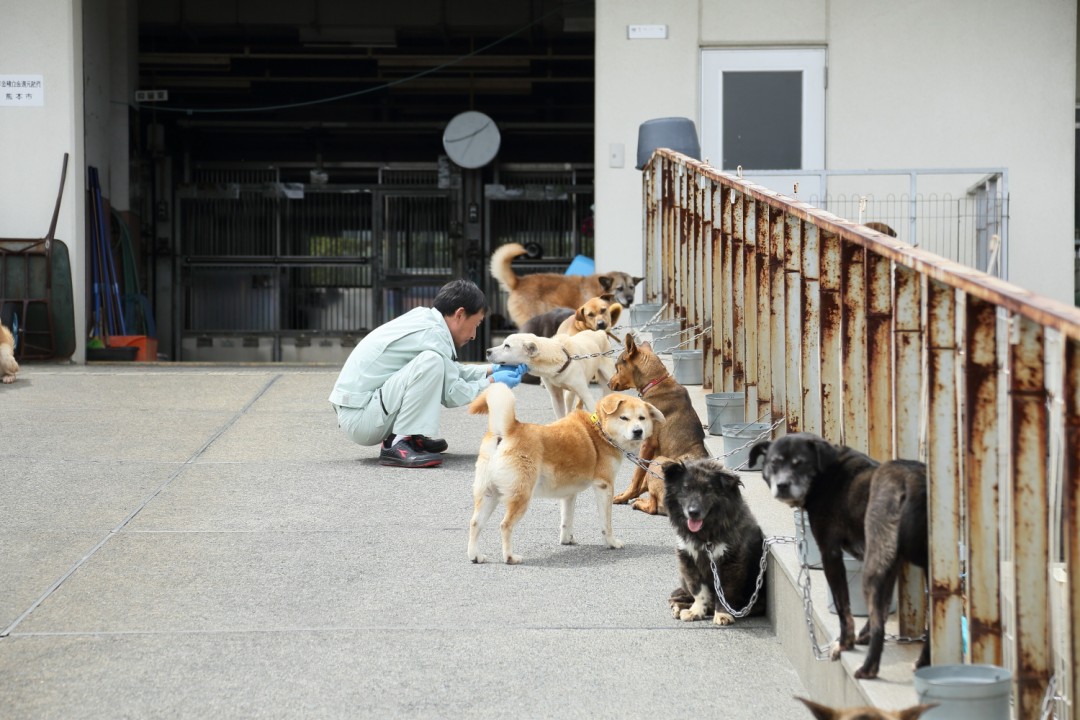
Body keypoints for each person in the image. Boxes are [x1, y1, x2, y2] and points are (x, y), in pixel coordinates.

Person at [329, 279, 526, 468]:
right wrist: (492, 383)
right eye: (476, 324)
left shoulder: (427, 321)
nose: (474, 334)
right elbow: (452, 393)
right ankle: (398, 442)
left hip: (361, 409)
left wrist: (492, 369)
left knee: (433, 362)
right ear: (459, 314)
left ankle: (412, 435)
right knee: (430, 362)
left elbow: (451, 371)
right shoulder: (433, 335)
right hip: (361, 419)